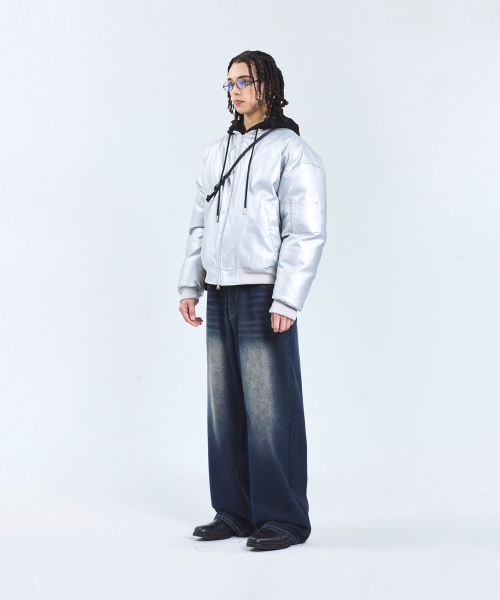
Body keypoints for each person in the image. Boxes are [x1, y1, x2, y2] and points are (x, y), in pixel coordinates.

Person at [177, 50, 327, 551]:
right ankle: (234, 511)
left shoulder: (292, 151)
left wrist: (287, 299)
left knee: (270, 408)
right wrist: (190, 286)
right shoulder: (215, 151)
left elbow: (304, 231)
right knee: (224, 409)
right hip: (219, 291)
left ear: (269, 86)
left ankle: (284, 519)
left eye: (245, 80)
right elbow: (199, 224)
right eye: (230, 83)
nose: (235, 90)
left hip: (264, 293)